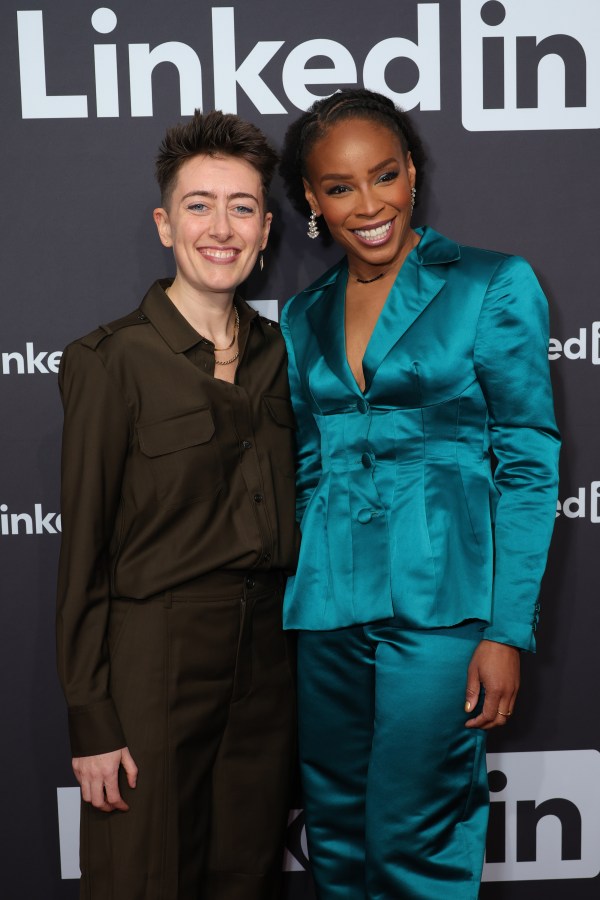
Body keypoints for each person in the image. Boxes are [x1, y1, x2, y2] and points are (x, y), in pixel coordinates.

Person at [278, 88, 560, 899]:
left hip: (442, 613)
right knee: (333, 835)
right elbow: (309, 465)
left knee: (416, 841)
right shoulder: (303, 315)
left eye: (385, 176)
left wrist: (507, 627)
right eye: (339, 187)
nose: (369, 205)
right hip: (328, 610)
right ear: (311, 199)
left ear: (412, 175)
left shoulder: (490, 285)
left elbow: (530, 461)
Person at [56, 109, 298, 900]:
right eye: (199, 205)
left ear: (266, 229)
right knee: (143, 879)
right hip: (152, 657)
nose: (220, 228)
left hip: (266, 659)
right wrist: (93, 719)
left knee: (246, 875)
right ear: (166, 225)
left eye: (241, 207)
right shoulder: (110, 361)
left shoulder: (282, 356)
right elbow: (83, 551)